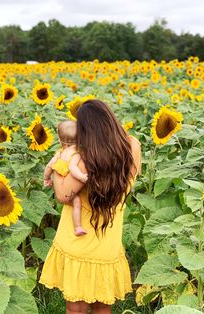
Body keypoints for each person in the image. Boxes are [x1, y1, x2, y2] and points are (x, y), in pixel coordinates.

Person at [39, 99, 142, 314]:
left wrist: (61, 161)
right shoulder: (132, 146)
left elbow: (62, 194)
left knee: (75, 307)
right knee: (102, 305)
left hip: (77, 241)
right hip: (108, 242)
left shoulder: (85, 158)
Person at [43, 120, 88, 236]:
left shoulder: (59, 153)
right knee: (77, 202)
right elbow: (73, 168)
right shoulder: (76, 154)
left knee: (74, 202)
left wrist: (46, 179)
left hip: (58, 181)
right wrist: (82, 177)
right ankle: (77, 227)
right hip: (67, 185)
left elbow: (49, 166)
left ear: (60, 140)